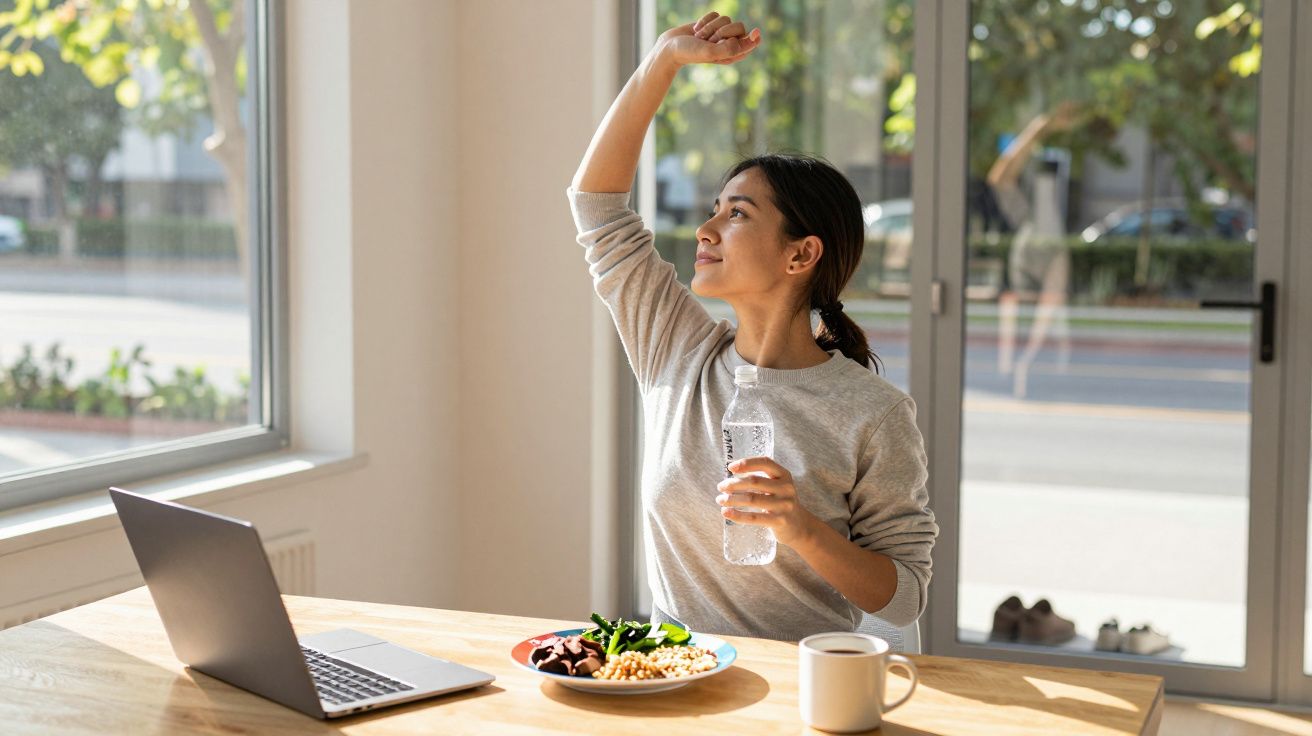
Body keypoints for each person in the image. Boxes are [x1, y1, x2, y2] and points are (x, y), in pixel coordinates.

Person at [567, 11, 938, 641]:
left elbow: (903, 598)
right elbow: (595, 204)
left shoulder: (873, 414)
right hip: (672, 672)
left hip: (804, 685)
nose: (706, 231)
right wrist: (664, 60)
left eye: (736, 214)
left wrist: (800, 527)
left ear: (801, 254)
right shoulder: (676, 349)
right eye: (714, 210)